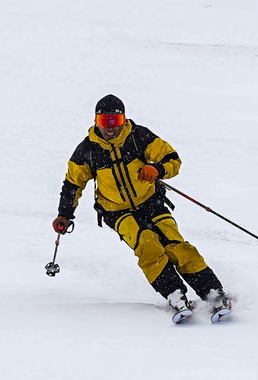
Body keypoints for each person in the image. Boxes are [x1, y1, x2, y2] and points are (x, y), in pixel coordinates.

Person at [53, 95, 233, 323]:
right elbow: (73, 183)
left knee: (175, 244)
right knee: (147, 245)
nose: (110, 128)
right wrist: (65, 214)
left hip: (150, 202)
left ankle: (213, 293)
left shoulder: (139, 137)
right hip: (117, 211)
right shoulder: (87, 150)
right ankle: (175, 294)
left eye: (115, 121)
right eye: (104, 121)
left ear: (124, 119)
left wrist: (156, 169)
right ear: (96, 120)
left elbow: (172, 158)